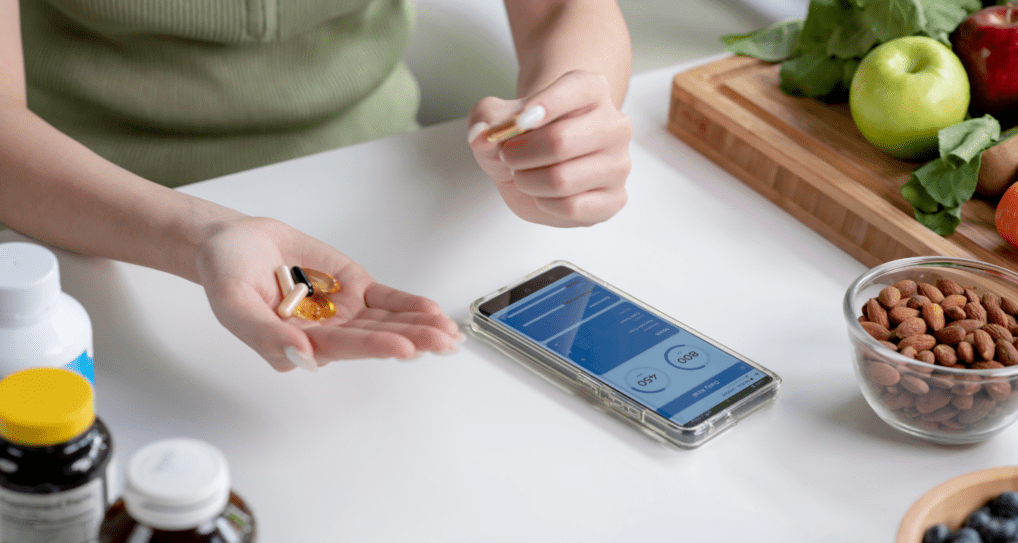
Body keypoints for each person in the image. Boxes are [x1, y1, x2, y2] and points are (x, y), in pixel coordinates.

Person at [0, 0, 633, 372]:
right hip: (80, 212)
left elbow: (563, 10)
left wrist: (565, 121)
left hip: (386, 178)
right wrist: (201, 235)